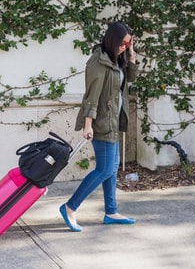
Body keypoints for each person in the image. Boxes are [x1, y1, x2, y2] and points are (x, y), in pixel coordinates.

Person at [59, 21, 138, 232]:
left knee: (112, 168)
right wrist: (88, 124)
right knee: (104, 169)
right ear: (112, 39)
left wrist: (131, 55)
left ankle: (111, 212)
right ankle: (69, 207)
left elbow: (130, 78)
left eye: (128, 43)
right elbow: (91, 96)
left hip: (113, 120)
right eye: (122, 43)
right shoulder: (98, 61)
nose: (124, 46)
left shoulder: (117, 59)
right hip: (101, 122)